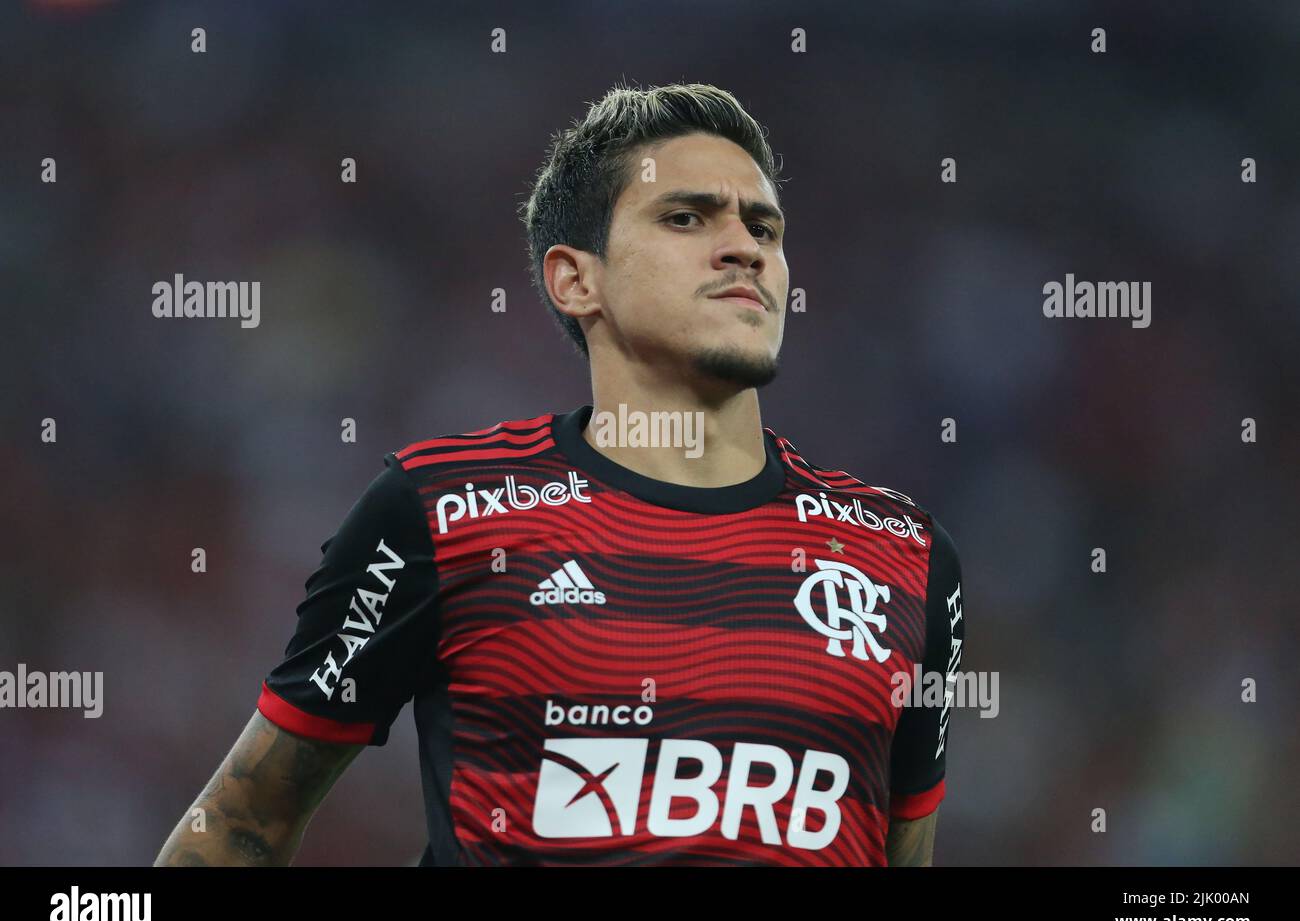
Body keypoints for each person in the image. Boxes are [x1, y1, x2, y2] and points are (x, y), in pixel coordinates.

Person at [156, 82, 965, 866]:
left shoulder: (904, 554)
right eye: (686, 217)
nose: (744, 247)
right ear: (577, 280)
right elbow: (242, 823)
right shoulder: (445, 512)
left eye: (764, 227)